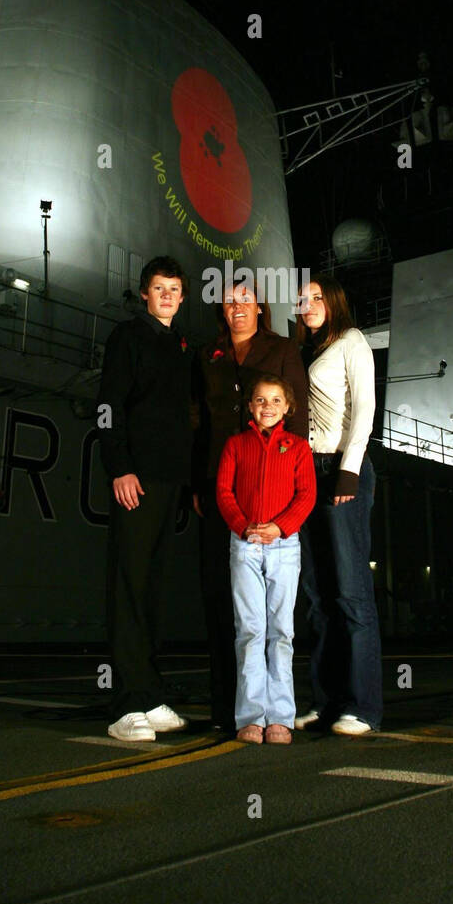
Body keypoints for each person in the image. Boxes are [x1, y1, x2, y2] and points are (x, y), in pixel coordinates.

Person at [192, 283, 308, 732]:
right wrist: (199, 484)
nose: (237, 308)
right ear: (222, 308)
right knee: (230, 607)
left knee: (277, 624)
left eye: (245, 300)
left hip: (275, 501)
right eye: (229, 301)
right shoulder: (209, 354)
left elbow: (296, 416)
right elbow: (199, 418)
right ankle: (234, 709)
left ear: (260, 306)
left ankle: (278, 714)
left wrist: (285, 511)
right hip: (225, 488)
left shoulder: (282, 349)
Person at [97, 255, 193, 742]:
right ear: (144, 294)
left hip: (169, 483)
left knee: (153, 590)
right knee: (129, 587)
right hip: (136, 481)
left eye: (175, 289)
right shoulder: (128, 337)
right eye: (160, 289)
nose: (168, 296)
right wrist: (120, 466)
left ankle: (149, 694)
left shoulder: (179, 345)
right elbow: (109, 406)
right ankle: (124, 704)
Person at [294, 274, 382, 736]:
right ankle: (325, 702)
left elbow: (365, 407)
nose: (307, 304)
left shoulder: (352, 340)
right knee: (316, 595)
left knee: (351, 592)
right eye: (302, 299)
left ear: (334, 302)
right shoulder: (305, 349)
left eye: (316, 298)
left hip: (341, 469)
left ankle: (363, 707)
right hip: (307, 472)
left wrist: (349, 468)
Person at [216, 377, 316, 744]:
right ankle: (252, 716)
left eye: (276, 400)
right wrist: (243, 527)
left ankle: (280, 718)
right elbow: (224, 491)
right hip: (244, 545)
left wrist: (281, 527)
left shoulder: (299, 448)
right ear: (250, 407)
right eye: (260, 400)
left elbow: (306, 495)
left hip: (284, 546)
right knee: (250, 631)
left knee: (281, 632)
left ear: (288, 407)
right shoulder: (236, 445)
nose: (267, 406)